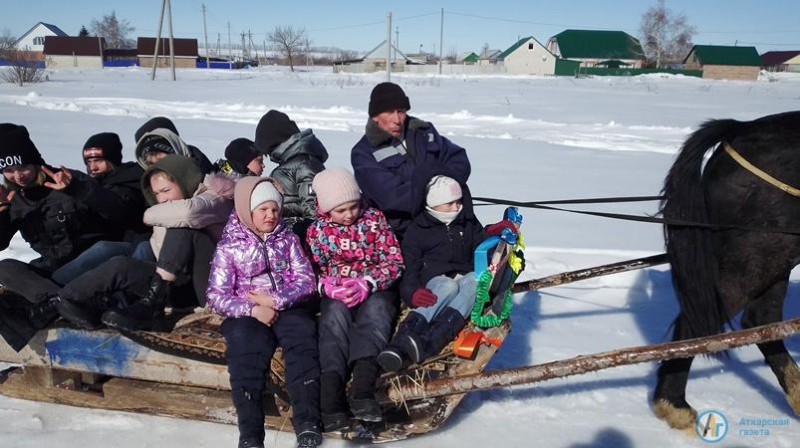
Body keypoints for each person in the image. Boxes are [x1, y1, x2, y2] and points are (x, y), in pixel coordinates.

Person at [51, 155, 234, 331]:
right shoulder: (167, 210)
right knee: (121, 265)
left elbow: (188, 214)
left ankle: (152, 306)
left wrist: (149, 214)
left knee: (182, 225)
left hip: (213, 286)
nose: (162, 199)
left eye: (166, 191)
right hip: (174, 285)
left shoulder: (215, 198)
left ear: (185, 181)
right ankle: (63, 302)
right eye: (156, 194)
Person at [206, 177, 321, 448]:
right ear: (248, 210)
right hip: (248, 313)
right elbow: (216, 295)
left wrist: (276, 300)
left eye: (275, 210)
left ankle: (307, 422)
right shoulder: (229, 247)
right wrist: (253, 309)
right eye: (263, 210)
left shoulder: (288, 240)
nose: (270, 216)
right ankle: (251, 434)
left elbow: (306, 281)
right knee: (246, 352)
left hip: (287, 305)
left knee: (302, 341)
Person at [376, 171, 515, 372]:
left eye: (458, 202)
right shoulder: (418, 230)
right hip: (436, 280)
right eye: (450, 203)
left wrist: (492, 235)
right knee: (448, 286)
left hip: (465, 274)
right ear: (433, 204)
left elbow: (480, 244)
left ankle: (429, 343)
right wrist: (412, 291)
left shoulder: (466, 221)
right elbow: (410, 268)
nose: (457, 207)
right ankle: (399, 345)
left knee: (476, 284)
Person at [304, 168, 404, 430]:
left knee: (377, 313)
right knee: (333, 321)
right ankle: (331, 396)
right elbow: (309, 271)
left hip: (372, 285)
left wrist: (369, 282)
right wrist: (325, 286)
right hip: (337, 289)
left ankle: (362, 387)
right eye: (341, 210)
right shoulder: (317, 232)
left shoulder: (374, 220)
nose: (349, 215)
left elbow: (394, 261)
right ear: (326, 210)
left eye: (353, 206)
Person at [351, 82, 471, 239]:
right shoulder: (363, 153)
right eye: (389, 112)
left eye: (401, 111)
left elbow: (458, 159)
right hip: (402, 234)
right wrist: (433, 193)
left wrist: (444, 184)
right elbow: (390, 197)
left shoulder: (424, 133)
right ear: (375, 116)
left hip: (447, 219)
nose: (397, 119)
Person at [254, 110, 328, 234]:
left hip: (302, 237)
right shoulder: (291, 163)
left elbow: (313, 207)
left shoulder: (304, 163)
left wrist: (308, 234)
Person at [134, 116, 215, 173]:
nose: (158, 168)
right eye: (150, 164)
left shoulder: (205, 177)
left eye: (163, 161)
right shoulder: (140, 182)